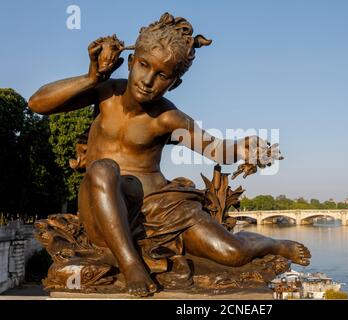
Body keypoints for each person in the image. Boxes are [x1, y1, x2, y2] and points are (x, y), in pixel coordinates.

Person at [28, 13, 311, 297]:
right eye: (143, 65)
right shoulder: (105, 94)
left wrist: (240, 147)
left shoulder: (168, 118)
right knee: (103, 168)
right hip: (101, 208)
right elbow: (38, 103)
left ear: (174, 83)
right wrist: (92, 77)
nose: (148, 80)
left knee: (231, 253)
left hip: (161, 209)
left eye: (162, 75)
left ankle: (274, 244)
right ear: (129, 62)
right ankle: (131, 264)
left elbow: (214, 149)